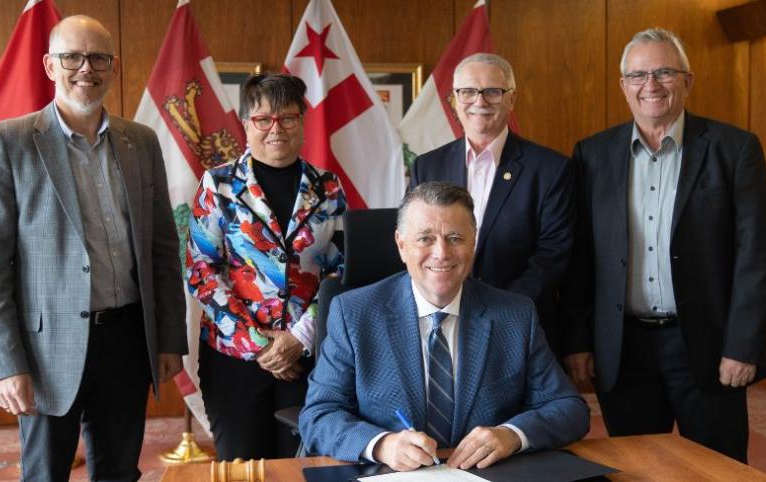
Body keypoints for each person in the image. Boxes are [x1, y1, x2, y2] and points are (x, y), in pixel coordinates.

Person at [0, 15, 187, 480]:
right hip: (47, 350)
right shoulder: (7, 143)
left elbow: (163, 250)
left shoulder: (141, 142)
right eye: (72, 56)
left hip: (127, 339)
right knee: (46, 473)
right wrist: (5, 364)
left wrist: (169, 338)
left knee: (119, 472)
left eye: (97, 58)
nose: (85, 68)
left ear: (113, 66)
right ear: (50, 65)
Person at [563, 28, 766, 462]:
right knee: (636, 469)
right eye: (638, 75)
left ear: (688, 80)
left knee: (718, 469)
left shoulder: (734, 149)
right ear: (623, 85)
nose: (651, 85)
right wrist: (577, 341)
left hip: (706, 344)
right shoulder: (592, 155)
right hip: (623, 350)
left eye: (664, 72)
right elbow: (579, 257)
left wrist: (743, 346)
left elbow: (758, 256)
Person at [300, 182, 588, 472]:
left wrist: (511, 435)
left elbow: (569, 409)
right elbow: (318, 415)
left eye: (455, 238)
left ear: (473, 242)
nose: (441, 253)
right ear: (401, 245)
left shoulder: (514, 315)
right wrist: (382, 444)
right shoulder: (354, 314)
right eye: (425, 238)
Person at [186, 72, 346, 461]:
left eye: (288, 118)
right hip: (234, 359)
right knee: (242, 468)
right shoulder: (218, 185)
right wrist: (261, 346)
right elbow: (202, 272)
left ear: (302, 123)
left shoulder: (328, 188)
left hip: (308, 356)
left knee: (305, 466)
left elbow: (340, 272)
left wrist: (297, 339)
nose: (276, 129)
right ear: (246, 124)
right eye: (263, 119)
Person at [409, 53, 574, 359]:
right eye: (468, 92)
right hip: (441, 325)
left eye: (493, 91)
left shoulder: (550, 169)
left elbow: (554, 254)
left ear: (512, 100)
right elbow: (416, 241)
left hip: (519, 327)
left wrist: (497, 308)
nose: (479, 101)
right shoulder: (427, 167)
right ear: (453, 100)